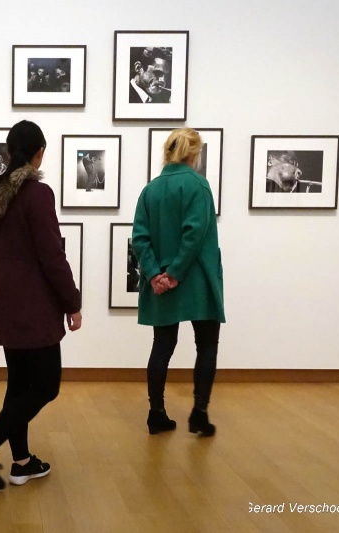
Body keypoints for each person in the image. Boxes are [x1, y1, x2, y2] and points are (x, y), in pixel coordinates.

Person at [0, 120, 82, 491]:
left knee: (20, 383)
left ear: (11, 151)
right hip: (33, 301)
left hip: (4, 296)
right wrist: (72, 302)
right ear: (39, 152)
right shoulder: (37, 194)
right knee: (46, 385)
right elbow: (51, 255)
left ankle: (22, 462)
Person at [131, 127, 224, 437]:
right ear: (193, 154)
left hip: (162, 281)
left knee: (162, 346)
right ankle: (199, 413)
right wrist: (176, 273)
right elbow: (194, 234)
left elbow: (140, 238)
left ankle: (156, 413)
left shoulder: (151, 190)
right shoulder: (199, 185)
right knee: (207, 344)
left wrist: (157, 274)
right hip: (197, 278)